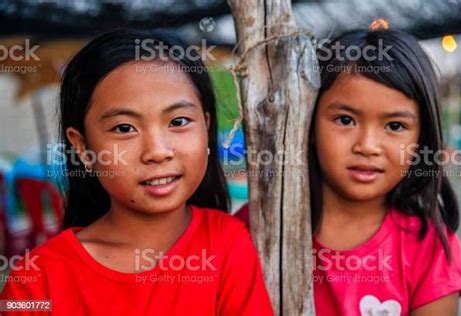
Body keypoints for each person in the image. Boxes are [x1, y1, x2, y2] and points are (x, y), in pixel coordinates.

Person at [1, 28, 273, 316]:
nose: (157, 151)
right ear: (82, 147)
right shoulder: (35, 280)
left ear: (206, 126)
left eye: (179, 121)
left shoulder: (228, 243)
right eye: (124, 128)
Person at [308, 29, 461, 315]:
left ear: (422, 138)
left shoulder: (430, 250)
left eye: (395, 126)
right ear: (307, 122)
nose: (368, 146)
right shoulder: (254, 228)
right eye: (345, 120)